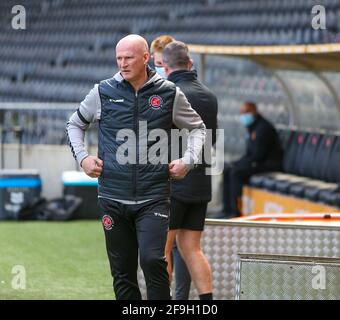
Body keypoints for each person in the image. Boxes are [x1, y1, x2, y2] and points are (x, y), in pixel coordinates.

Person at [66, 34, 206, 300]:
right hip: (111, 197)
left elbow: (198, 129)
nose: (122, 63)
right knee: (122, 271)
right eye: (118, 58)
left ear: (145, 58)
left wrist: (188, 161)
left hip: (153, 198)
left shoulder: (169, 93)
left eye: (128, 57)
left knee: (154, 260)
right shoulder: (102, 91)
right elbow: (74, 124)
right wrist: (82, 157)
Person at [162, 41, 217, 300]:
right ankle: (207, 302)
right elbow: (211, 141)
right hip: (201, 183)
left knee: (162, 249)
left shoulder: (170, 93)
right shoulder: (209, 95)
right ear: (190, 64)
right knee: (192, 248)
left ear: (164, 66)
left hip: (174, 183)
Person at [151, 34, 192, 300]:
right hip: (171, 176)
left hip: (177, 176)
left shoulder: (175, 94)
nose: (158, 68)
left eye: (159, 63)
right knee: (179, 247)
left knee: (171, 247)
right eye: (155, 62)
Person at [220, 102, 282, 218]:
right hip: (257, 162)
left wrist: (239, 165)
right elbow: (249, 154)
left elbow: (258, 156)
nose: (243, 116)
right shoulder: (253, 127)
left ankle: (235, 212)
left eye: (245, 113)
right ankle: (226, 210)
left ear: (253, 112)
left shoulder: (263, 128)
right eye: (242, 113)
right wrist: (236, 163)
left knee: (235, 173)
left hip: (268, 164)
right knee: (228, 168)